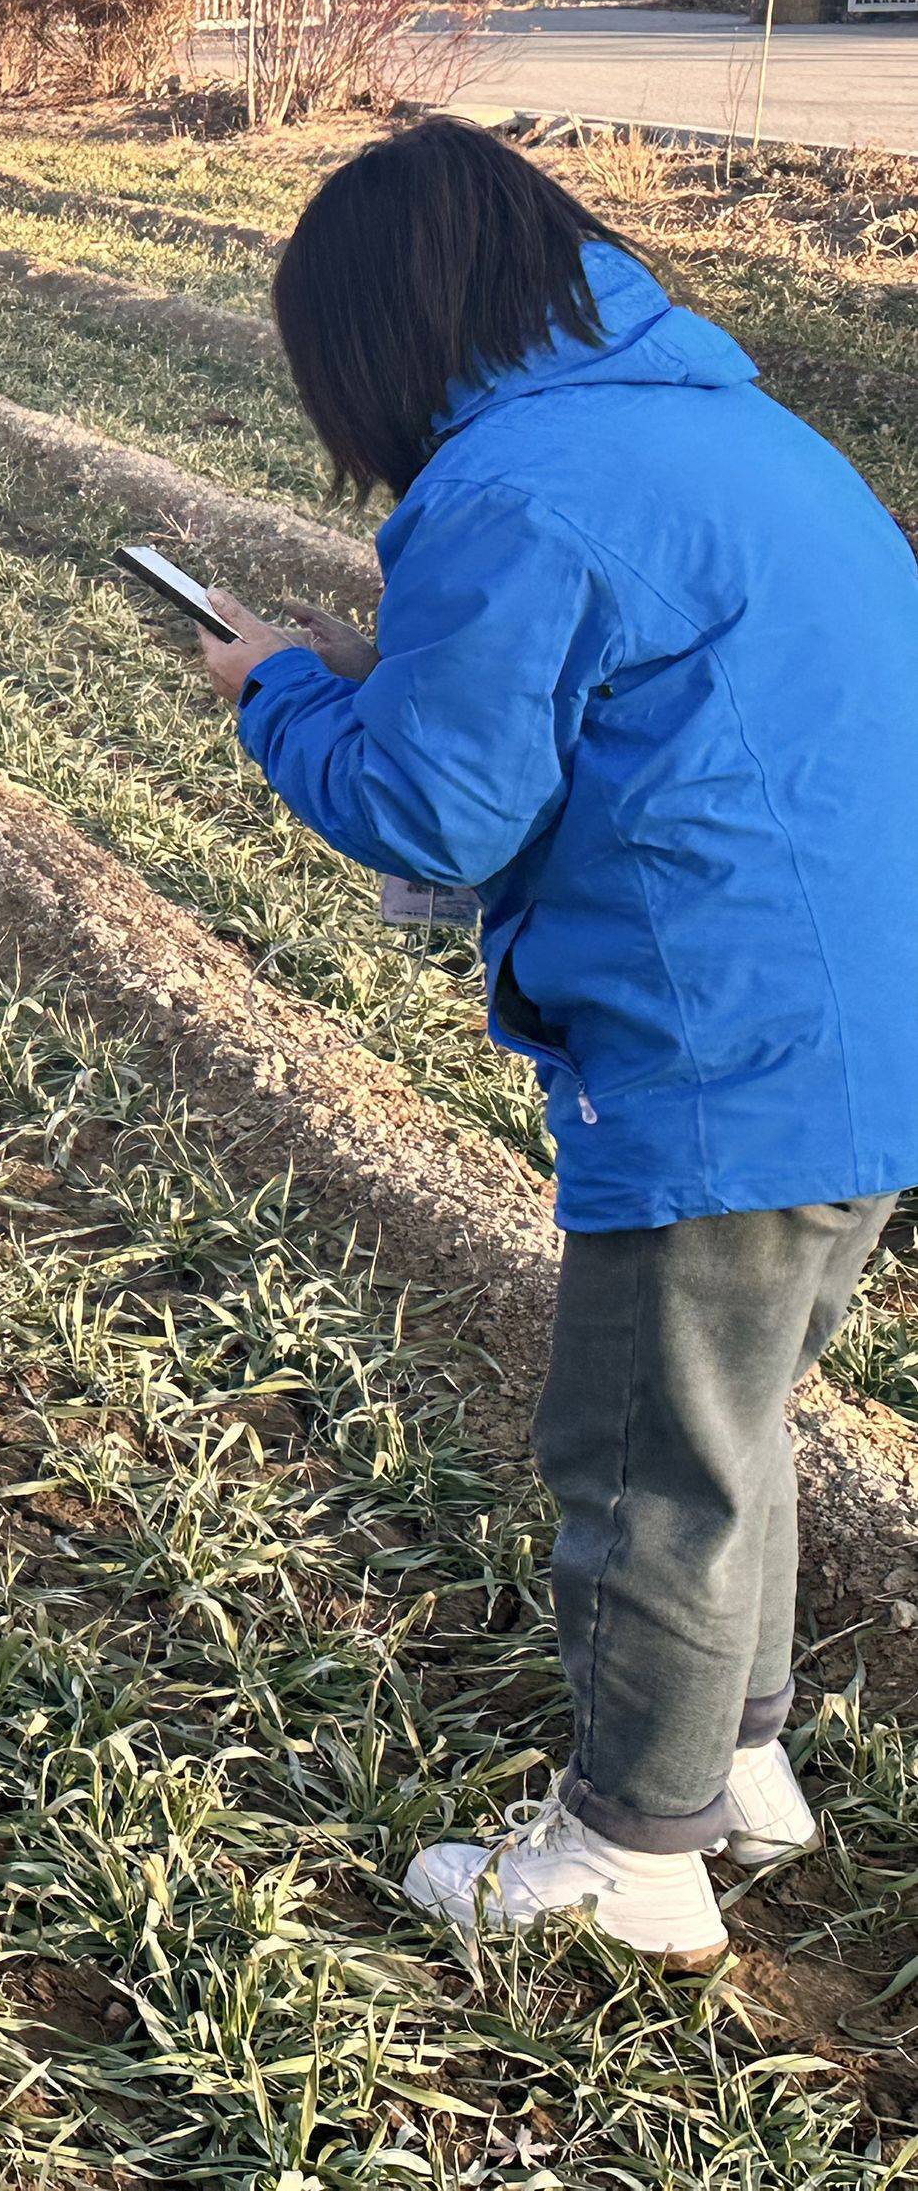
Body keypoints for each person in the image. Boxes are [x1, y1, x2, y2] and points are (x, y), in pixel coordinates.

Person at [187, 119, 918, 1962]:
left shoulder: (513, 489)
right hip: (858, 1029)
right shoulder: (725, 427)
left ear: (378, 335)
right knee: (731, 1412)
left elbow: (433, 816)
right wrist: (397, 679)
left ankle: (632, 1855)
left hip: (714, 1046)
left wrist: (273, 688)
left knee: (637, 1455)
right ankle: (737, 1762)